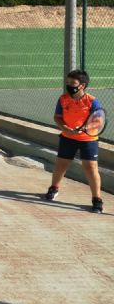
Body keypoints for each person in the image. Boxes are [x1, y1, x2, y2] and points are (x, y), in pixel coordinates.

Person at [45, 70, 104, 213]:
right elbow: (57, 117)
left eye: (73, 83)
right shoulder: (63, 99)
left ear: (82, 86)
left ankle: (97, 199)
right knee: (60, 166)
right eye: (68, 82)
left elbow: (99, 120)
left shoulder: (92, 101)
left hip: (88, 139)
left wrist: (85, 128)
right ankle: (54, 188)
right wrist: (66, 129)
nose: (69, 85)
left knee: (91, 168)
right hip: (68, 138)